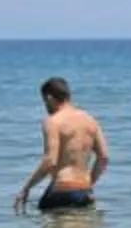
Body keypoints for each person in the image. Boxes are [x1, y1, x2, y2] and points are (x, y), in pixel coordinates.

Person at [14, 76, 111, 214]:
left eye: (44, 102)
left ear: (49, 98)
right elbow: (104, 157)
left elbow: (50, 161)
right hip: (84, 190)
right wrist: (88, 185)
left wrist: (26, 188)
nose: (45, 107)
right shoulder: (90, 120)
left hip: (61, 191)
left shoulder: (53, 122)